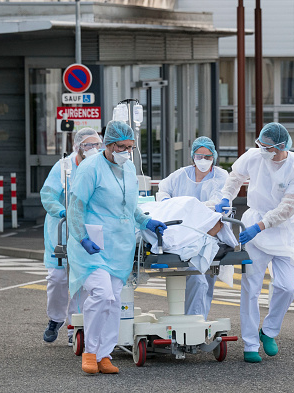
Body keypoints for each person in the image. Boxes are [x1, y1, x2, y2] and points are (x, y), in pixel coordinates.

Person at [67, 120, 166, 374]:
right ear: (109, 145)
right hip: (92, 244)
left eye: (130, 147)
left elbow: (129, 205)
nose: (126, 152)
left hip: (120, 246)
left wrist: (146, 220)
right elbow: (76, 205)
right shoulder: (91, 168)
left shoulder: (129, 168)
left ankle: (104, 354)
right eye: (122, 147)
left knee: (114, 302)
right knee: (101, 294)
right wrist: (80, 237)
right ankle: (89, 352)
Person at [215, 122, 294, 363]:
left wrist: (261, 226)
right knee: (251, 288)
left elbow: (288, 207)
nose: (262, 150)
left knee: (288, 287)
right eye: (260, 145)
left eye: (267, 147)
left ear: (280, 146)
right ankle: (250, 344)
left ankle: (268, 331)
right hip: (254, 221)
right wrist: (226, 197)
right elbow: (235, 177)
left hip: (282, 230)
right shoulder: (254, 156)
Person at [40, 128, 102, 344]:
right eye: (88, 145)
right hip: (62, 229)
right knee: (57, 278)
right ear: (78, 147)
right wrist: (63, 212)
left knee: (82, 280)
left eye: (97, 145)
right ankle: (55, 318)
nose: (94, 149)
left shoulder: (99, 166)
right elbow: (48, 195)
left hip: (86, 231)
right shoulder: (63, 166)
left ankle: (74, 328)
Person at [156, 136, 228, 320]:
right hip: (182, 231)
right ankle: (192, 321)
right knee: (195, 278)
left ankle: (197, 321)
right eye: (199, 156)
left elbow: (217, 202)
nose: (203, 161)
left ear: (214, 157)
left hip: (209, 231)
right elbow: (163, 188)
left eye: (207, 157)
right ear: (192, 157)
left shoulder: (221, 177)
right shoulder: (181, 174)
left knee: (204, 278)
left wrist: (189, 208)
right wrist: (166, 202)